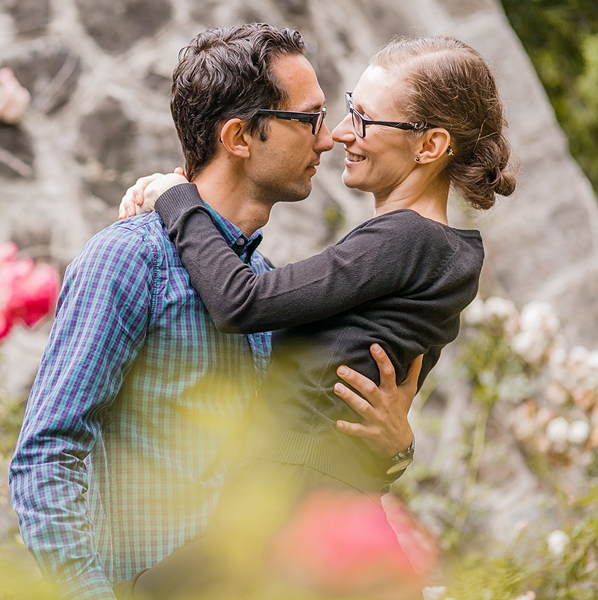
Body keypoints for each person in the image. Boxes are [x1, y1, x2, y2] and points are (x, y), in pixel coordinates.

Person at [8, 24, 420, 600]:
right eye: (310, 119)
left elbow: (300, 480)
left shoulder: (267, 292)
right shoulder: (129, 260)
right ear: (241, 137)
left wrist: (390, 449)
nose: (328, 141)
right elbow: (46, 456)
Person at [116, 35, 516, 599]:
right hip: (326, 499)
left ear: (430, 145)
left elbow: (243, 302)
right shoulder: (443, 252)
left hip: (291, 498)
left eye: (366, 120)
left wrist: (176, 199)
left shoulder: (406, 239)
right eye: (349, 109)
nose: (341, 134)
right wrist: (393, 453)